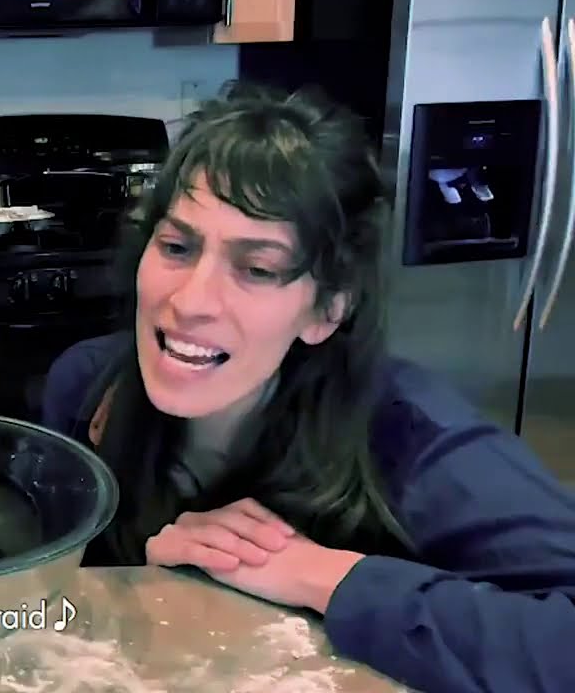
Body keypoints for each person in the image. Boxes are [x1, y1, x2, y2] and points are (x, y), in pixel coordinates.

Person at [43, 83, 575, 693]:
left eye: (259, 269)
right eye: (176, 247)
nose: (189, 302)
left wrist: (323, 576)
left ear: (327, 309)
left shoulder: (415, 444)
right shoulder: (87, 391)